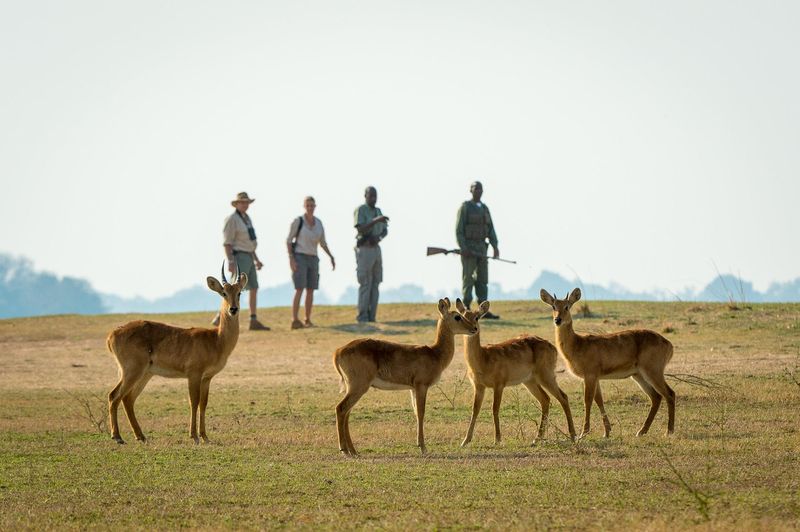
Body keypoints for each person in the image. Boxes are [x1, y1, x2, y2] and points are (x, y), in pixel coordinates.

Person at [212, 192, 270, 330]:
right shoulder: (232, 219)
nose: (245, 205)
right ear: (236, 204)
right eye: (242, 202)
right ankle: (220, 317)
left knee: (254, 287)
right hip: (239, 257)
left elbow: (249, 242)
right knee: (232, 288)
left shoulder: (246, 218)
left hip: (249, 256)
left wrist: (256, 259)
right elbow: (227, 242)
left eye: (246, 202)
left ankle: (253, 319)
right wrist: (231, 261)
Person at [286, 196, 335, 329]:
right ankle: (295, 319)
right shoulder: (298, 221)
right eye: (307, 205)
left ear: (315, 206)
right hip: (300, 256)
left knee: (311, 289)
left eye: (312, 205)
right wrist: (291, 258)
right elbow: (289, 240)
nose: (310, 208)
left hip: (313, 257)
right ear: (304, 206)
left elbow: (322, 242)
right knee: (299, 288)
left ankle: (307, 319)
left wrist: (330, 256)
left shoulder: (318, 223)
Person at [455, 181, 501, 319]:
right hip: (469, 250)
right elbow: (459, 231)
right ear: (471, 190)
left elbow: (491, 229)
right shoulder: (465, 207)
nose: (478, 191)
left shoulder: (485, 208)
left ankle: (483, 309)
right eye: (475, 189)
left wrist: (495, 246)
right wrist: (464, 248)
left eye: (480, 189)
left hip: (482, 249)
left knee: (482, 279)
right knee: (468, 278)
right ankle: (466, 307)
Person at [354, 186, 388, 323]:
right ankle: (362, 316)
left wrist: (378, 237)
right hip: (364, 248)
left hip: (376, 248)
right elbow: (360, 228)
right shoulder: (361, 210)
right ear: (365, 196)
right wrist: (376, 221)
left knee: (376, 282)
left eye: (375, 196)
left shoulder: (378, 211)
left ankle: (372, 316)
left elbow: (385, 230)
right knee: (365, 282)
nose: (373, 198)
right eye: (371, 196)